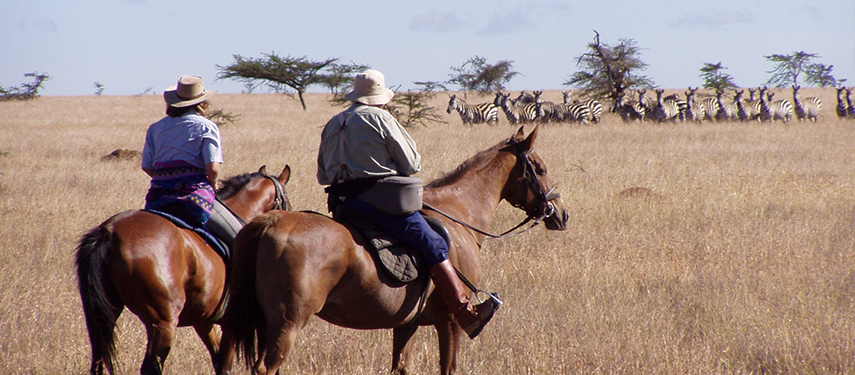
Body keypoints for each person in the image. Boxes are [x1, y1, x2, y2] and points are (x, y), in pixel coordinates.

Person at [316, 69, 498, 339]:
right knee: (434, 243)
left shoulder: (333, 122)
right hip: (379, 203)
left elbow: (322, 174)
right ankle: (465, 312)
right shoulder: (381, 118)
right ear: (380, 97)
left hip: (342, 206)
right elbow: (412, 163)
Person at [142, 75, 242, 247]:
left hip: (158, 197)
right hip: (195, 197)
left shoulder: (155, 128)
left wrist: (167, 179)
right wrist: (213, 184)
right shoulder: (206, 126)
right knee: (240, 238)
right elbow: (213, 168)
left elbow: (147, 166)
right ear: (202, 103)